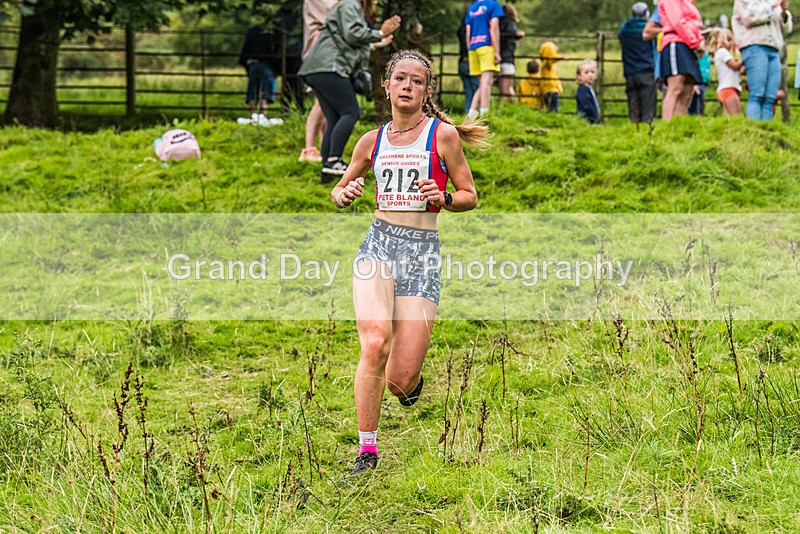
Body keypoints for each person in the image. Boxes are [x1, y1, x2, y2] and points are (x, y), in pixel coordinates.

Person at [329, 49, 489, 475]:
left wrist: (446, 198)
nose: (407, 86)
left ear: (426, 91)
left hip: (421, 252)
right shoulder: (371, 141)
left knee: (400, 379)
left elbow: (470, 195)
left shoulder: (442, 137)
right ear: (386, 86)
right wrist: (343, 194)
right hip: (378, 245)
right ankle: (367, 450)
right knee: (375, 341)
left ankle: (410, 384)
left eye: (416, 81)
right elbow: (343, 186)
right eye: (400, 78)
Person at [298, 0, 400, 183]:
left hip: (318, 68)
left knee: (334, 118)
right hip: (329, 67)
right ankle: (333, 160)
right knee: (350, 112)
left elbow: (349, 41)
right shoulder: (350, 4)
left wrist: (375, 42)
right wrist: (379, 32)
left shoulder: (349, 7)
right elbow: (353, 35)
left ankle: (327, 171)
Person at [733, 0, 793, 121]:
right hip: (754, 45)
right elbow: (748, 18)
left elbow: (786, 29)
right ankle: (755, 131)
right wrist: (772, 6)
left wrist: (784, 12)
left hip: (774, 49)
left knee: (770, 97)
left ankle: (766, 131)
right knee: (757, 94)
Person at [298, 0, 339, 163]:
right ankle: (309, 148)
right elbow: (332, 11)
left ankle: (324, 147)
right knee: (321, 102)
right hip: (319, 54)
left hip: (326, 53)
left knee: (326, 103)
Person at [657, 0, 705, 120]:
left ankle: (680, 125)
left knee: (687, 89)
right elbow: (677, 21)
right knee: (676, 87)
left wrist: (699, 40)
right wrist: (694, 42)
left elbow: (695, 24)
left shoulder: (689, 2)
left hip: (688, 43)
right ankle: (667, 125)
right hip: (675, 41)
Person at [238, 19, 281, 126]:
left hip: (253, 64)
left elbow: (244, 52)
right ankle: (263, 116)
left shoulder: (252, 31)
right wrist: (277, 68)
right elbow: (276, 51)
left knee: (253, 91)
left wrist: (247, 67)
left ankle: (251, 115)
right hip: (267, 65)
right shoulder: (273, 32)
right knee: (266, 93)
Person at [619, 2, 657, 123]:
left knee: (633, 104)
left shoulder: (625, 29)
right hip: (646, 71)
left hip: (630, 72)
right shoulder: (648, 30)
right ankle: (648, 131)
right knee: (648, 106)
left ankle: (634, 130)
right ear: (646, 14)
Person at [465, 0, 504, 116]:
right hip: (486, 45)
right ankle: (484, 114)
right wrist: (496, 51)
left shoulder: (472, 8)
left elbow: (468, 32)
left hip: (473, 47)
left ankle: (471, 113)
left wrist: (469, 51)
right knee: (487, 82)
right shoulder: (494, 5)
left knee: (482, 82)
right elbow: (494, 28)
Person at [708, 27, 743, 115]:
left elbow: (739, 70)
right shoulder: (722, 52)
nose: (731, 43)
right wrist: (746, 56)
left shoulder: (724, 54)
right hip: (728, 88)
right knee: (736, 116)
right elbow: (735, 66)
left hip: (728, 89)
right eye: (728, 39)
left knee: (728, 117)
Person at [498, 4, 525, 101]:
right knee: (505, 89)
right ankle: (500, 109)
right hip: (507, 58)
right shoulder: (510, 23)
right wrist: (518, 34)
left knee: (508, 88)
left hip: (498, 58)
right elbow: (510, 34)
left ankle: (517, 105)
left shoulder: (496, 23)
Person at [457, 17, 480, 113]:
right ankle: (476, 114)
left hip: (462, 62)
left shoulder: (460, 31)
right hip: (471, 63)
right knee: (477, 90)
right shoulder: (473, 32)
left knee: (468, 91)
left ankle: (468, 113)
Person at [539, 41, 566, 112]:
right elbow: (551, 58)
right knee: (553, 110)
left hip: (548, 90)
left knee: (550, 109)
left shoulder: (546, 64)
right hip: (551, 90)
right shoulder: (547, 63)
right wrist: (561, 57)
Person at [575, 59, 600, 124]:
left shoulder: (588, 88)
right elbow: (587, 106)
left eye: (592, 72)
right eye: (586, 72)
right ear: (579, 77)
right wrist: (594, 118)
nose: (590, 75)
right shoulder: (583, 90)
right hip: (586, 120)